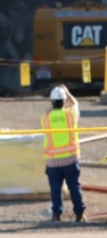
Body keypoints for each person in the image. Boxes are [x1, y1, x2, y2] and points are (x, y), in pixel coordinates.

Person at [43, 84, 86, 222]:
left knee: (55, 189)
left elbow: (49, 111)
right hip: (70, 159)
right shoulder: (70, 115)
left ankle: (56, 215)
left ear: (52, 101)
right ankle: (80, 214)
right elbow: (75, 104)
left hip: (52, 161)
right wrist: (68, 93)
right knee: (74, 187)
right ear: (63, 100)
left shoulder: (45, 118)